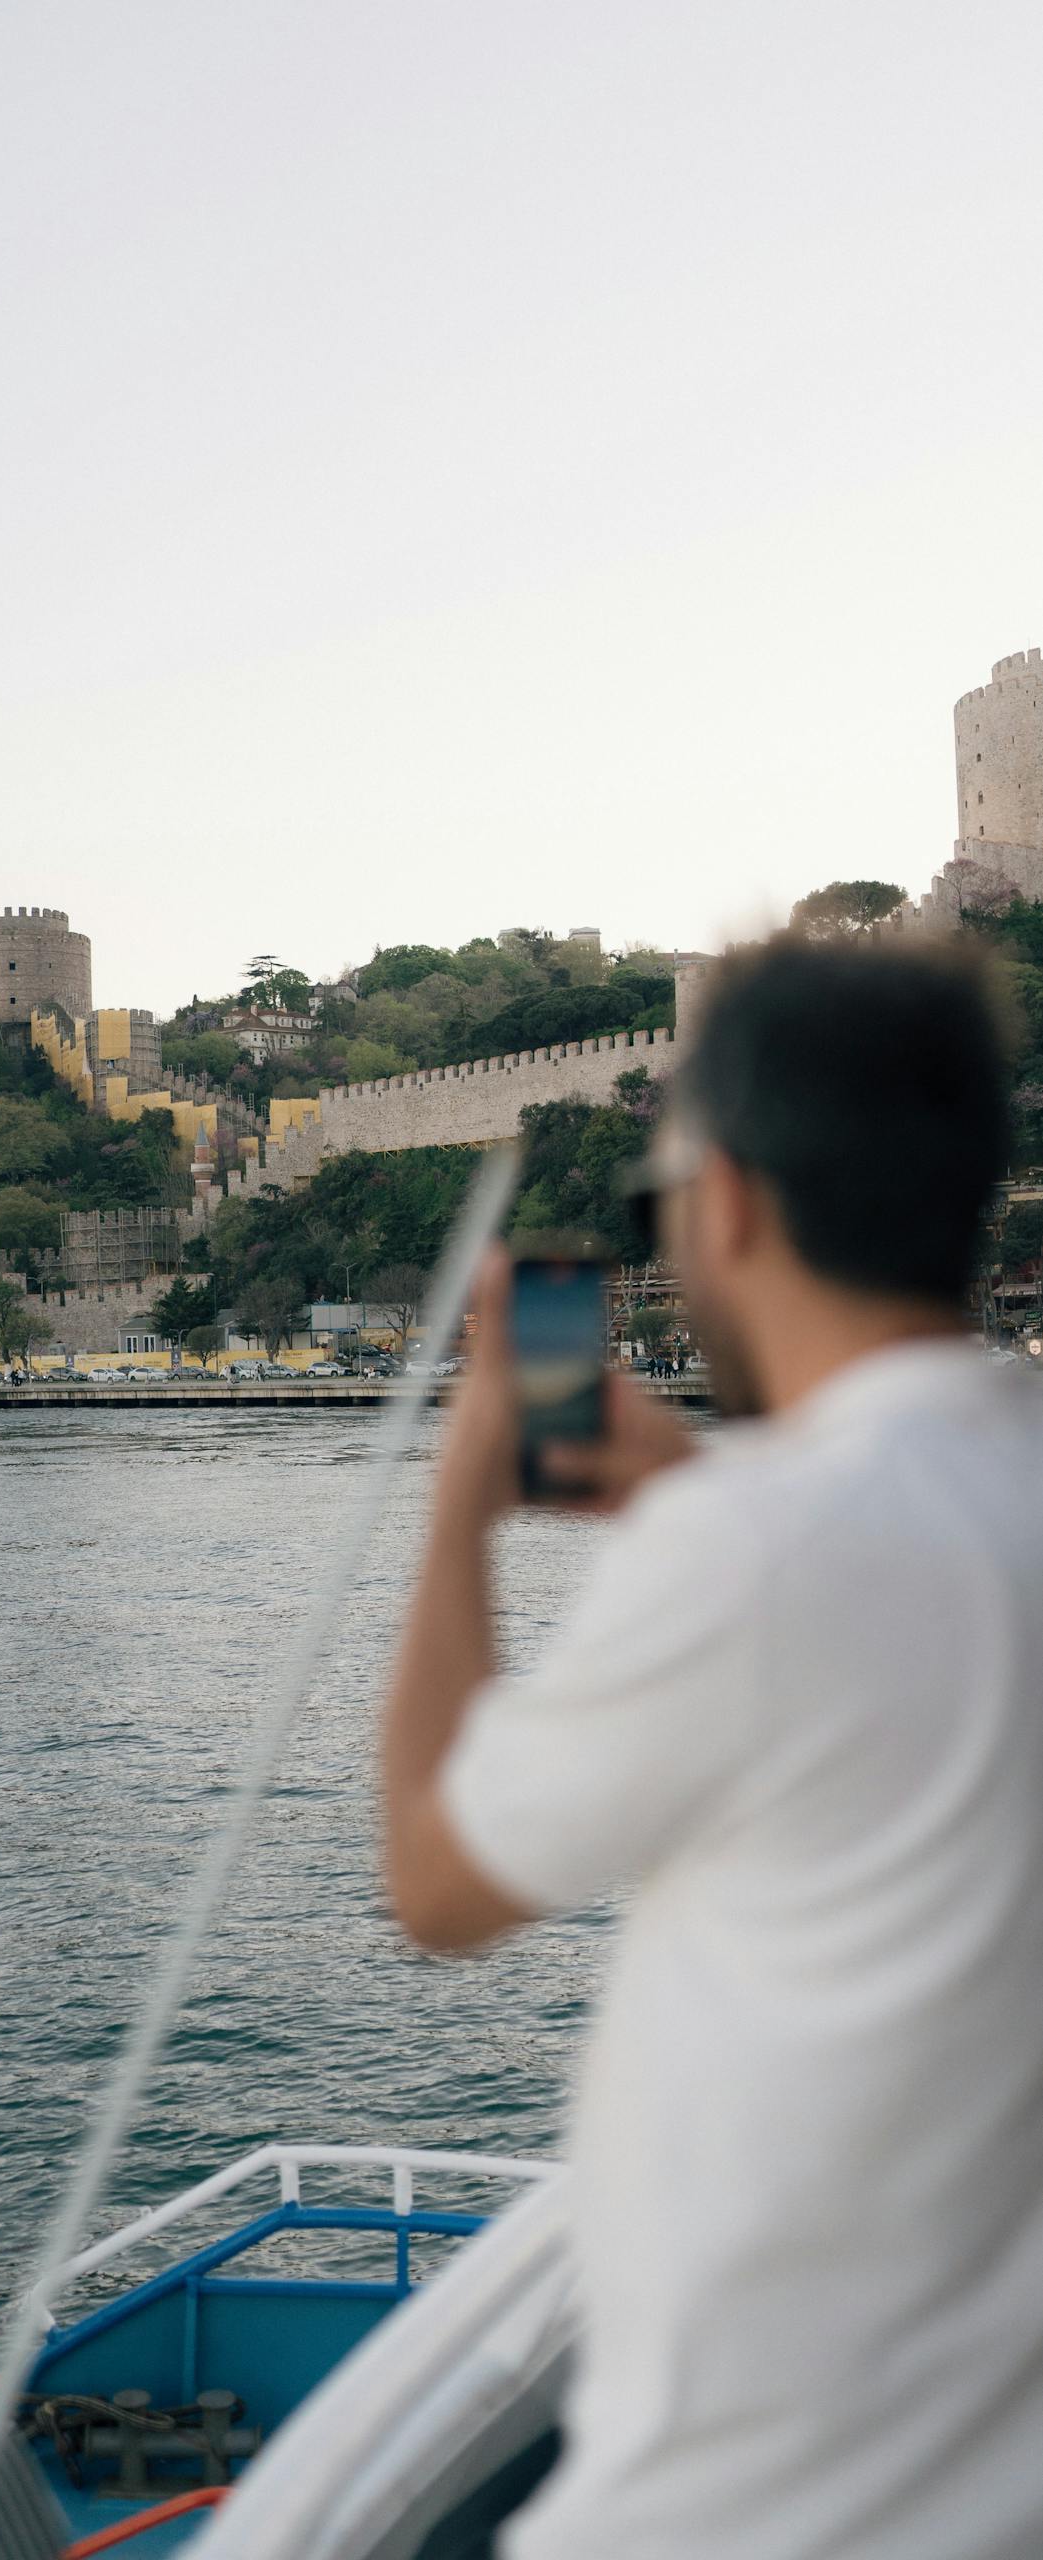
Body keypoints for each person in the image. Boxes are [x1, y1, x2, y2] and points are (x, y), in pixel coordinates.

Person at [382, 933, 1043, 2560]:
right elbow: (904, 1652)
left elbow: (438, 1884)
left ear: (727, 1203)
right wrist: (695, 1490)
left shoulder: (759, 1553)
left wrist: (462, 1500)